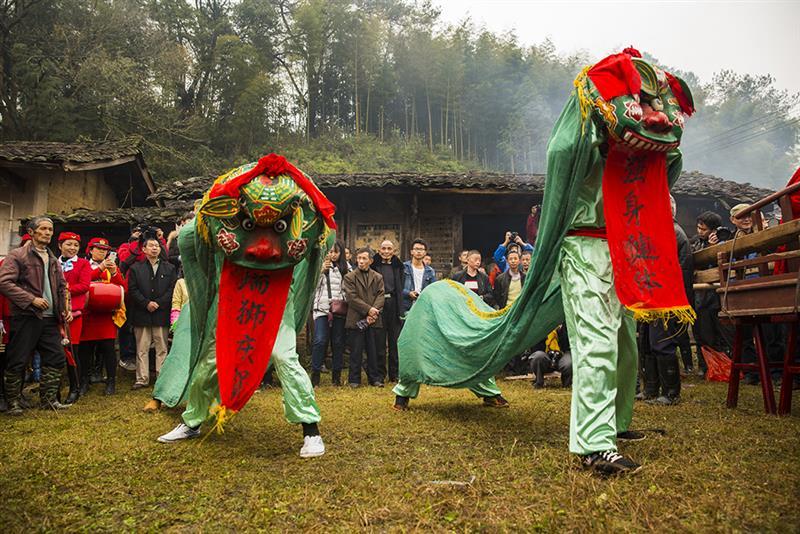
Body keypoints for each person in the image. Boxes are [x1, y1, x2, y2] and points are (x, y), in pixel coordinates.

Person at [0, 216, 71, 414]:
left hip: (50, 318)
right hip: (27, 315)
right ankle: (12, 403)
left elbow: (62, 286)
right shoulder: (18, 255)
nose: (48, 232)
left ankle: (48, 401)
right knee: (18, 359)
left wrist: (64, 307)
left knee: (56, 357)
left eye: (50, 229)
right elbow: (4, 282)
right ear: (31, 232)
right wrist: (31, 299)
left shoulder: (53, 259)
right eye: (44, 228)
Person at [638, 196, 693, 405]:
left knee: (661, 343)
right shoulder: (657, 232)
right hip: (650, 297)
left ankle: (671, 393)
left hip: (666, 298)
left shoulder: (675, 234)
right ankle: (651, 388)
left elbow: (680, 270)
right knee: (646, 343)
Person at [126, 237, 177, 389]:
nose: (155, 248)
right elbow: (133, 289)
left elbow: (172, 288)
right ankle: (142, 378)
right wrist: (146, 303)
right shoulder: (136, 268)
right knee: (142, 348)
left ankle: (162, 377)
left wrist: (159, 303)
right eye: (151, 245)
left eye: (157, 246)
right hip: (141, 313)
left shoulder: (169, 268)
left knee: (162, 347)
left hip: (161, 313)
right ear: (144, 249)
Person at [80, 237, 126, 396]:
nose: (102, 251)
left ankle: (111, 381)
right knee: (85, 350)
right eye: (98, 249)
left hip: (106, 314)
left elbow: (122, 287)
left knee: (108, 349)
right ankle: (84, 381)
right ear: (90, 250)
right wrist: (99, 268)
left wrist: (113, 272)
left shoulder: (112, 267)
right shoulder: (83, 264)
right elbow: (83, 281)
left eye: (104, 250)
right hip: (88, 314)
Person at [57, 232, 93, 404]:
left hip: (74, 314)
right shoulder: (53, 263)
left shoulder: (83, 264)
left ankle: (74, 387)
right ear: (60, 246)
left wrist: (63, 288)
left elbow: (85, 286)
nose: (72, 248)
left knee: (72, 351)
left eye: (75, 245)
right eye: (68, 244)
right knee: (54, 352)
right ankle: (53, 390)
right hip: (54, 313)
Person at [343, 248, 384, 387]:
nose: (360, 261)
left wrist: (374, 311)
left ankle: (375, 378)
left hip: (373, 319)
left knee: (373, 350)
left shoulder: (378, 277)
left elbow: (381, 295)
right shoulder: (350, 277)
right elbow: (351, 298)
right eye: (359, 258)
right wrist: (369, 309)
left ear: (371, 261)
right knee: (356, 350)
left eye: (364, 258)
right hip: (356, 318)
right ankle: (354, 379)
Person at [310, 240, 349, 387]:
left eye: (336, 252)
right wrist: (321, 271)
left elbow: (347, 290)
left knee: (338, 343)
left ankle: (336, 378)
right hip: (322, 309)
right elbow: (312, 286)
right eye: (330, 252)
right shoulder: (319, 267)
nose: (333, 255)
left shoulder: (347, 269)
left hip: (339, 310)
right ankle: (315, 376)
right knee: (320, 341)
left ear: (341, 253)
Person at [372, 240, 404, 383]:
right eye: (383, 248)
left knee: (394, 341)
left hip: (394, 304)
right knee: (379, 341)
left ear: (394, 251)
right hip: (379, 304)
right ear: (379, 250)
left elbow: (401, 286)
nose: (386, 251)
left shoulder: (398, 266)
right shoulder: (374, 265)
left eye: (389, 249)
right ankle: (380, 374)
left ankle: (394, 374)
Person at [401, 239, 436, 318]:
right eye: (416, 249)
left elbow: (433, 289)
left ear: (425, 252)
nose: (419, 252)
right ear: (411, 251)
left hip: (423, 307)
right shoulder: (403, 267)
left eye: (421, 249)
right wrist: (409, 293)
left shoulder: (430, 271)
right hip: (406, 306)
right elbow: (398, 287)